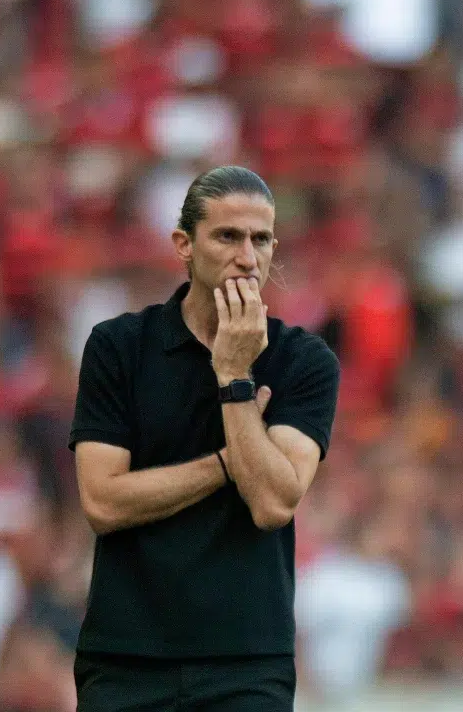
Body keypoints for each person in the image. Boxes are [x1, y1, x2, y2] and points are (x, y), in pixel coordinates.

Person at [68, 165, 341, 711]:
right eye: (227, 236)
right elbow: (101, 501)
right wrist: (225, 462)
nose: (247, 256)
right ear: (183, 245)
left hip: (247, 665)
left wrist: (234, 378)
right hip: (126, 659)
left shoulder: (302, 361)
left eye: (260, 239)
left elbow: (271, 502)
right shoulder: (118, 347)